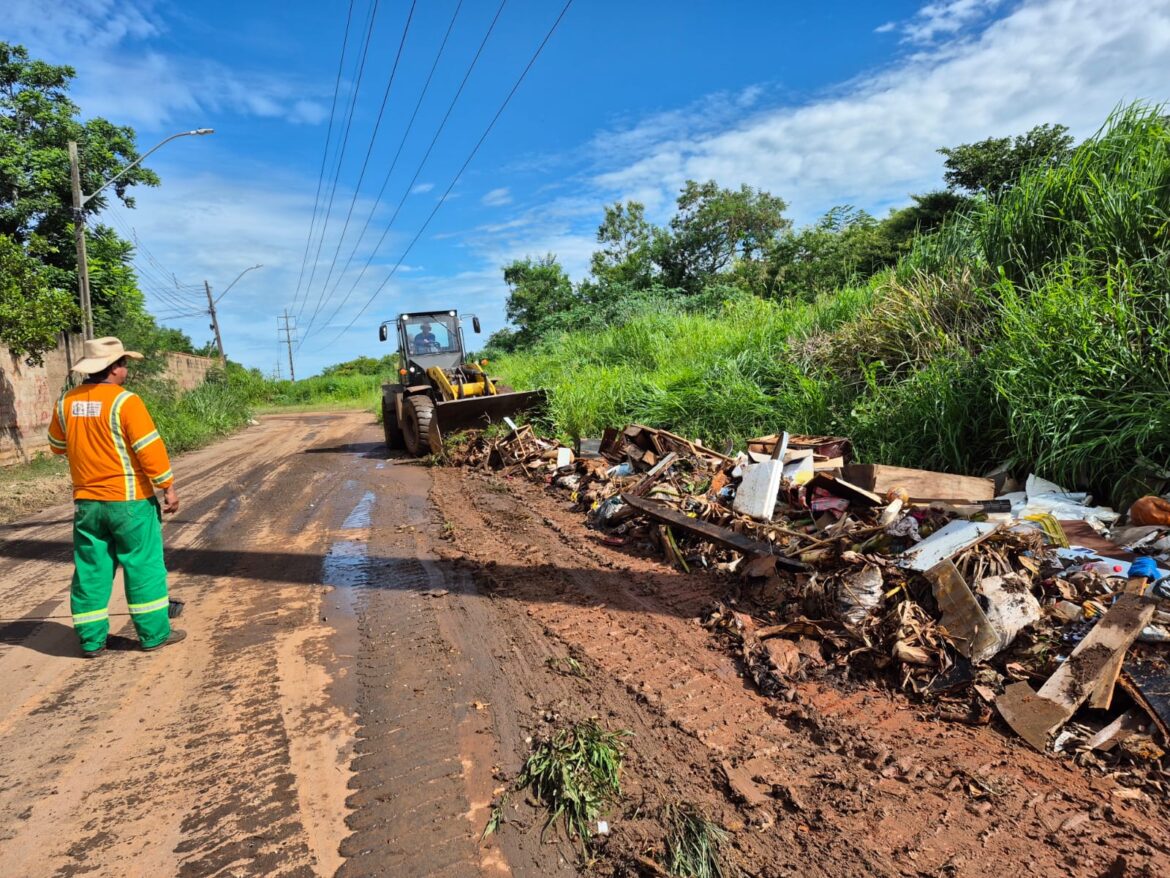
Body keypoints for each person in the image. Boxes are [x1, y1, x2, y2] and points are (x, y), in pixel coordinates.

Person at [47, 336, 185, 657]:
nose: (126, 370)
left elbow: (57, 446)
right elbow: (149, 449)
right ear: (112, 368)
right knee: (143, 565)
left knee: (91, 570)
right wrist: (167, 487)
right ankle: (154, 635)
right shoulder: (125, 402)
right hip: (130, 502)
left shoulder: (66, 402)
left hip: (87, 504)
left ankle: (91, 640)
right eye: (124, 364)